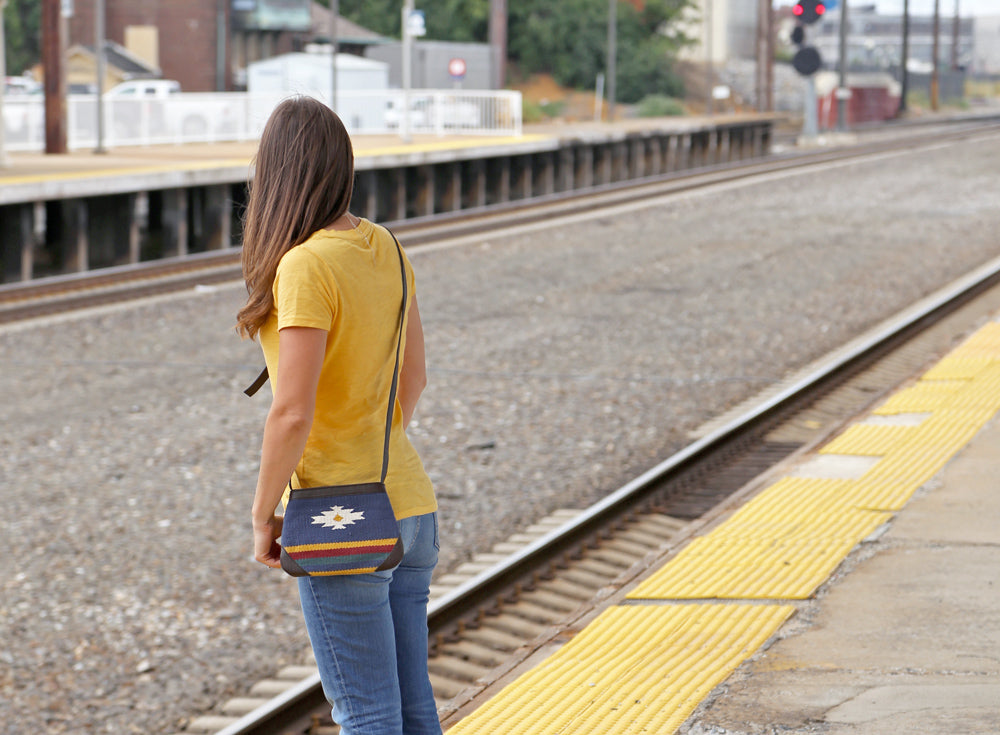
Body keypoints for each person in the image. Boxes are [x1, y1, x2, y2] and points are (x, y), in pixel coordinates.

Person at [236, 96, 441, 735]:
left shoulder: (304, 265)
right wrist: (372, 441)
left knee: (366, 714)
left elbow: (291, 412)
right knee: (412, 708)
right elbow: (414, 377)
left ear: (275, 176)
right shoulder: (385, 245)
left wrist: (263, 512)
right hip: (409, 505)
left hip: (338, 515)